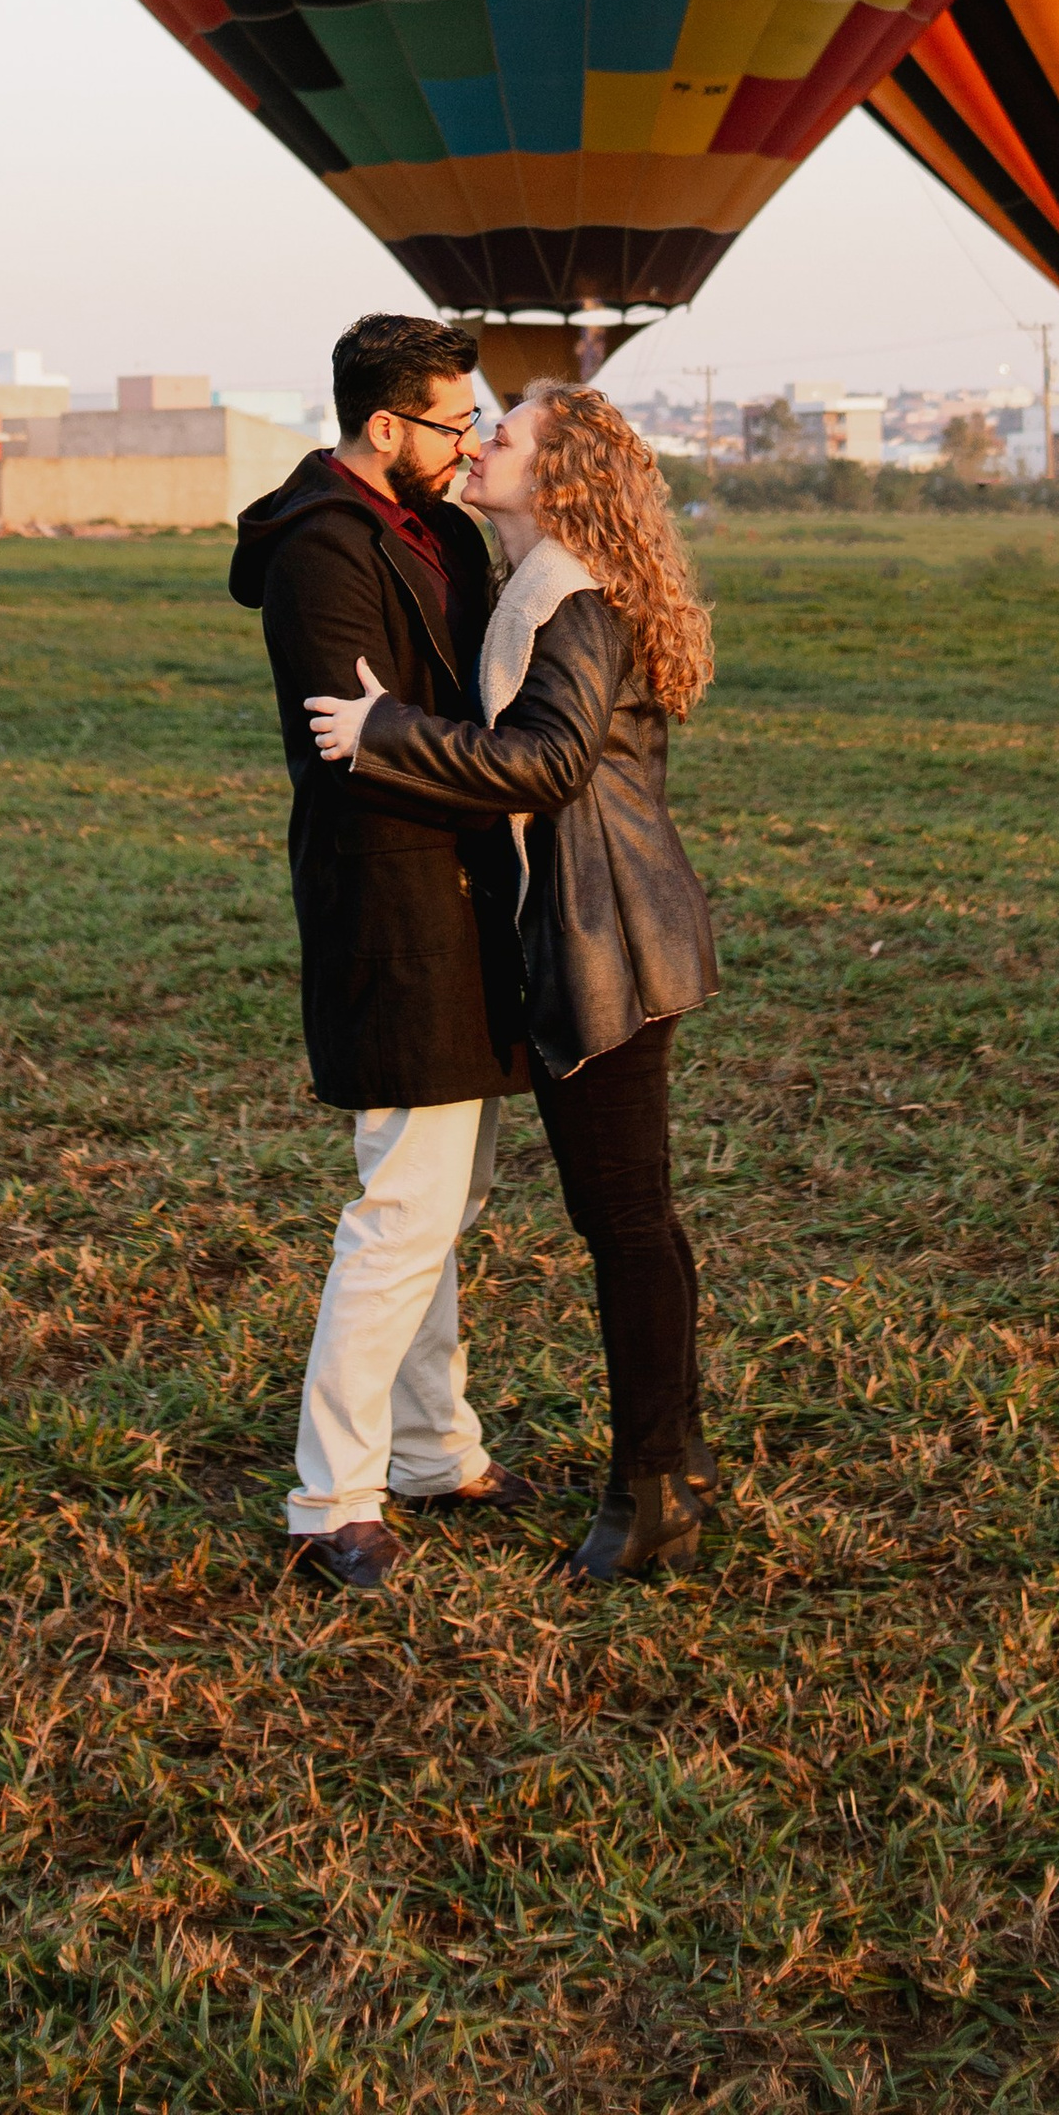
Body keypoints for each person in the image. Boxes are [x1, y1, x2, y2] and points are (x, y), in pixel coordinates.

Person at [307, 382, 720, 1585]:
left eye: (507, 435)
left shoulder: (575, 598)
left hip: (611, 941)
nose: (481, 444)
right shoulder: (538, 585)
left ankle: (653, 1493)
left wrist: (382, 732)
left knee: (628, 1225)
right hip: (608, 927)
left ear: (561, 474)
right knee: (635, 1219)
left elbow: (544, 763)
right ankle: (672, 1467)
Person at [230, 313, 535, 1597]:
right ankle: (329, 1501)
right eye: (454, 422)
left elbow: (437, 718)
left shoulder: (445, 530)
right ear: (385, 424)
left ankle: (430, 1449)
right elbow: (353, 744)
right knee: (401, 1203)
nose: (469, 444)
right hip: (392, 896)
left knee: (443, 1198)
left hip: (466, 886)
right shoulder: (320, 552)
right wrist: (508, 768)